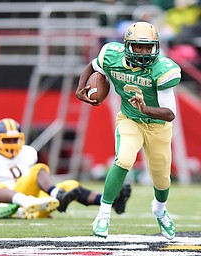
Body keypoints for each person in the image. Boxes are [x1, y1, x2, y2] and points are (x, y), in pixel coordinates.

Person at [76, 21, 181, 240]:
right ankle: (103, 215)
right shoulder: (112, 56)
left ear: (155, 47)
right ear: (127, 46)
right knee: (123, 159)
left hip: (158, 126)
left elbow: (170, 113)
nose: (143, 52)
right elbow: (93, 66)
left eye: (147, 47)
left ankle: (160, 210)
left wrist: (146, 108)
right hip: (130, 119)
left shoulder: (162, 69)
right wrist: (80, 88)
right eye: (138, 47)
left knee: (162, 179)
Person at [0, 118, 131, 218]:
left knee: (70, 185)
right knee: (38, 169)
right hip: (8, 199)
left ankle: (110, 202)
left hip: (34, 200)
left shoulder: (27, 152)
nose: (11, 145)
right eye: (7, 141)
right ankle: (56, 194)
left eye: (15, 140)